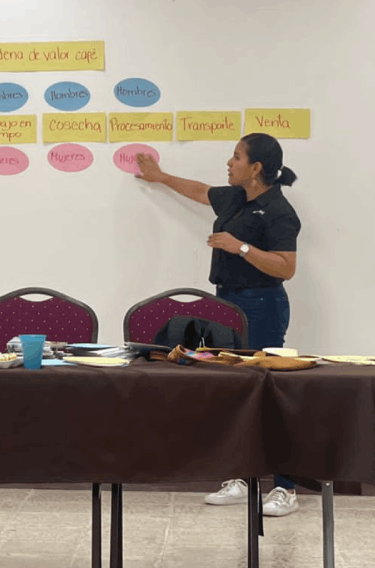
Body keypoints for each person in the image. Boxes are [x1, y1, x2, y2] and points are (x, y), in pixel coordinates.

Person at [135, 132, 302, 517]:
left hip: (263, 305)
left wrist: (239, 247)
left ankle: (285, 487)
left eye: (237, 157)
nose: (229, 162)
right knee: (234, 392)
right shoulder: (235, 197)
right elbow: (200, 191)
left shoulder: (279, 211)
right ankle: (241, 478)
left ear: (256, 168)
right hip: (227, 304)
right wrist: (161, 177)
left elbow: (286, 267)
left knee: (267, 393)